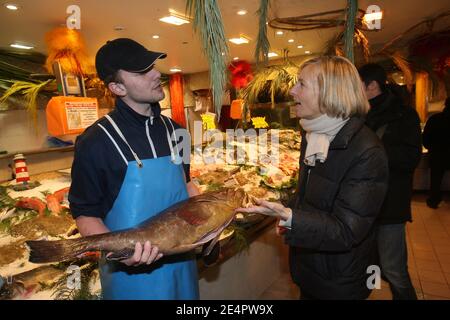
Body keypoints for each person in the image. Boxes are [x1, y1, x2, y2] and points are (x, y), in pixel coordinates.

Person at [237, 56, 389, 300]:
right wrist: (285, 212)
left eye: (302, 84)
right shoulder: (313, 134)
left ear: (330, 93)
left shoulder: (367, 152)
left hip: (340, 279)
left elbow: (347, 231)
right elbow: (307, 195)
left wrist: (292, 218)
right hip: (310, 266)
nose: (292, 90)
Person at [69, 38, 200, 300]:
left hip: (183, 267)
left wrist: (207, 222)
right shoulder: (95, 142)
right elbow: (86, 215)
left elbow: (186, 184)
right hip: (130, 279)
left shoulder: (177, 131)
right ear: (117, 87)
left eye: (152, 66)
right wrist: (124, 253)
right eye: (142, 71)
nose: (156, 74)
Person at [359, 63, 422, 300]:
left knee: (393, 268)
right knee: (369, 265)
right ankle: (372, 294)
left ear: (372, 86)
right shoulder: (361, 114)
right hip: (362, 205)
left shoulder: (404, 115)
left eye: (358, 86)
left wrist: (373, 151)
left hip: (390, 206)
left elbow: (410, 158)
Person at [423, 97, 450, 208]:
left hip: (437, 155)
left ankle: (434, 200)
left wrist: (430, 148)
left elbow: (425, 138)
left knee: (436, 180)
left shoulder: (434, 119)